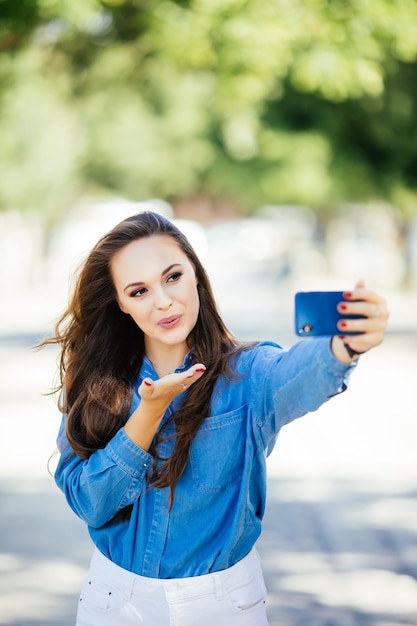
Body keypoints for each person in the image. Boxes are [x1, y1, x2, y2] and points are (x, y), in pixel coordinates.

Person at [45, 211, 388, 626]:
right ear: (121, 303)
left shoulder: (248, 374)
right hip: (115, 602)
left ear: (196, 276)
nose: (163, 301)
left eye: (173, 277)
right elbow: (91, 503)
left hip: (223, 605)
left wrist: (343, 347)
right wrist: (149, 412)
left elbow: (299, 375)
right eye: (139, 291)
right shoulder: (98, 384)